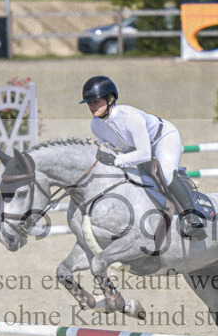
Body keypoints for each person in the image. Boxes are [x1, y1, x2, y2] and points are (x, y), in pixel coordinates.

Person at [80, 75, 205, 240]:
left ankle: (192, 217)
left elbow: (145, 154)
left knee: (167, 175)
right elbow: (109, 149)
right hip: (134, 148)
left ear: (110, 99)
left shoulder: (130, 117)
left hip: (162, 139)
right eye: (89, 103)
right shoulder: (95, 124)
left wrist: (117, 160)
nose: (91, 106)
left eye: (95, 101)